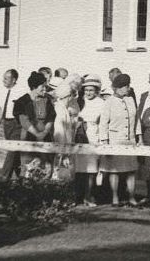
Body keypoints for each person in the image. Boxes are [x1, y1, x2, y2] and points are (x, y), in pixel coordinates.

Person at [100, 73, 139, 206]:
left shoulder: (130, 100)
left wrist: (139, 138)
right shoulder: (109, 102)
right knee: (114, 171)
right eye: (126, 86)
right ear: (118, 88)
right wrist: (105, 143)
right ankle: (115, 198)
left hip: (130, 140)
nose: (128, 88)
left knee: (131, 170)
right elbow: (103, 123)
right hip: (115, 141)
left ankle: (132, 197)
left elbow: (136, 120)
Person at [14, 71, 56, 170]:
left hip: (45, 136)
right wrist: (37, 134)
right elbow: (24, 121)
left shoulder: (47, 100)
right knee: (29, 165)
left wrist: (44, 133)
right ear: (34, 86)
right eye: (42, 86)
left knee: (45, 165)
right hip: (29, 135)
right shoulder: (23, 101)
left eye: (46, 87)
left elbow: (51, 117)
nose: (45, 89)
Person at [78, 75, 105, 206]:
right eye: (86, 90)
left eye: (91, 90)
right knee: (79, 169)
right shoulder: (79, 101)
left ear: (96, 91)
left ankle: (89, 196)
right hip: (79, 136)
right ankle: (78, 196)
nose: (88, 93)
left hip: (93, 137)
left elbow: (102, 123)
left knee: (91, 170)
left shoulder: (101, 103)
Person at [51, 76, 81, 186]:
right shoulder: (60, 109)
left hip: (64, 146)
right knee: (58, 173)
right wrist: (63, 150)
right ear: (66, 96)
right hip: (61, 147)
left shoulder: (63, 109)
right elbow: (59, 132)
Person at [0, 69, 21, 179]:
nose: (3, 80)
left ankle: (4, 177)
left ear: (13, 80)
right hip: (7, 123)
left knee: (12, 149)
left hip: (17, 124)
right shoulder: (3, 91)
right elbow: (0, 110)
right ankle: (21, 177)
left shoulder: (20, 92)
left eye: (6, 78)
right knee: (15, 152)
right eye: (3, 78)